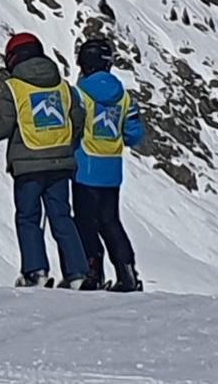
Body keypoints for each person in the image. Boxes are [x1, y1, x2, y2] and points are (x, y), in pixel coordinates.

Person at [0, 32, 89, 288]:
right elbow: (78, 119)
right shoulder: (63, 86)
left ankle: (35, 272)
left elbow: (3, 126)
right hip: (60, 164)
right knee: (62, 217)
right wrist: (66, 146)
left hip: (27, 165)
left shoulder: (14, 88)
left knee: (28, 217)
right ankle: (77, 274)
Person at [72, 38, 145, 292]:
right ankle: (127, 273)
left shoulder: (79, 94)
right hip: (112, 170)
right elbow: (134, 135)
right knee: (110, 222)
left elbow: (71, 127)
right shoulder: (124, 97)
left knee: (84, 223)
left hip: (85, 167)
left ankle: (93, 272)